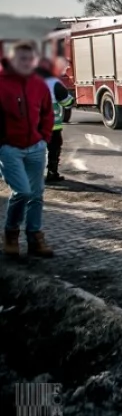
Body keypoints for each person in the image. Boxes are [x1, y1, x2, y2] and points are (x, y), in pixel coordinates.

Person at [0, 41, 54, 257]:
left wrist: (45, 137)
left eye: (30, 59)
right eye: (21, 58)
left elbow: (48, 113)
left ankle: (35, 238)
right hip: (9, 148)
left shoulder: (38, 84)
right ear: (12, 60)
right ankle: (11, 234)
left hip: (36, 147)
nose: (26, 63)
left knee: (37, 195)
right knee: (22, 192)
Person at [35, 58, 74, 183]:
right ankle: (52, 173)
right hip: (51, 127)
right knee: (54, 149)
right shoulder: (54, 83)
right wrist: (71, 101)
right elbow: (66, 101)